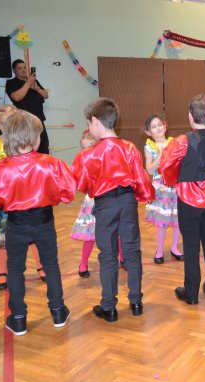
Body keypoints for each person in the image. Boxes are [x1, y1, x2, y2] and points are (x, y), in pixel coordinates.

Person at [0, 110, 75, 336]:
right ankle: (58, 311)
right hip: (44, 222)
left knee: (15, 269)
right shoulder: (51, 164)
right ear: (34, 138)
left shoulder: (0, 169)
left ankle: (18, 318)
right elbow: (68, 193)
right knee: (51, 264)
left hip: (16, 225)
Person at [72, 98, 155, 322]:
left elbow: (83, 184)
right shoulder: (129, 148)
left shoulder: (88, 154)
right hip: (127, 203)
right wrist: (141, 196)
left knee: (108, 254)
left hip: (105, 205)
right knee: (132, 252)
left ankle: (109, 307)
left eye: (88, 124)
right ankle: (136, 302)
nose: (89, 129)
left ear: (95, 121)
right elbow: (141, 180)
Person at [159, 94, 205, 305]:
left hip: (188, 200)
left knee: (191, 245)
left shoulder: (182, 141)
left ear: (190, 116)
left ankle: (191, 292)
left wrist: (176, 180)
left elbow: (165, 167)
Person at [0, 105, 47, 289]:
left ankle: (41, 264)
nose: (7, 126)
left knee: (31, 233)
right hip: (2, 198)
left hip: (23, 197)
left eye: (12, 122)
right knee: (1, 235)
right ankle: (2, 270)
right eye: (3, 123)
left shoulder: (23, 142)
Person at [70, 131, 124, 278]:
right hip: (92, 201)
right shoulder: (83, 162)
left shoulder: (106, 158)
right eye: (84, 147)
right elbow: (81, 182)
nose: (87, 150)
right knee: (90, 234)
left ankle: (123, 258)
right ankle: (83, 264)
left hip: (109, 199)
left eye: (91, 145)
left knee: (117, 231)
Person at [143, 115, 184, 263]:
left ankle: (174, 247)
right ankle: (159, 250)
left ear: (165, 126)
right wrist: (161, 155)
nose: (158, 128)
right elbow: (149, 169)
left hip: (176, 186)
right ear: (149, 132)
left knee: (178, 219)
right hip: (161, 187)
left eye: (160, 124)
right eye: (154, 127)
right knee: (162, 221)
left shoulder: (174, 143)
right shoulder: (149, 147)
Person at [5, 60, 50, 154]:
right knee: (27, 149)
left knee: (44, 148)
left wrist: (37, 89)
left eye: (24, 68)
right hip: (24, 123)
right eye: (19, 68)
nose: (23, 70)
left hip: (39, 120)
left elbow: (46, 95)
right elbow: (16, 97)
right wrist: (28, 83)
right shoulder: (11, 82)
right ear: (14, 70)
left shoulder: (34, 81)